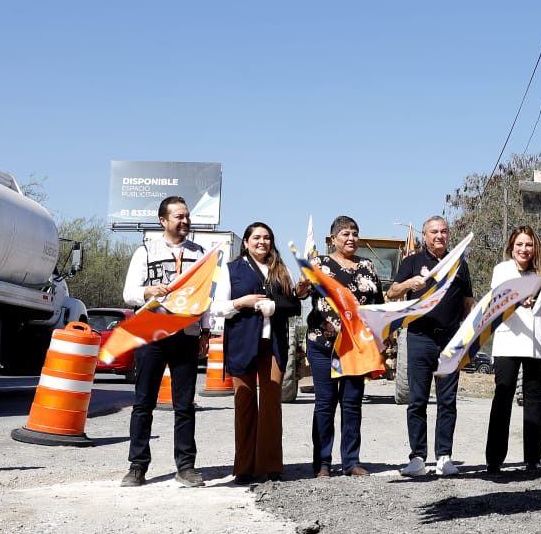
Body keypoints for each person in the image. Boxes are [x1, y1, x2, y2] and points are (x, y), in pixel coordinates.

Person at [120, 196, 208, 488]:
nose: (185, 221)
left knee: (184, 405)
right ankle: (137, 466)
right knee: (143, 403)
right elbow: (129, 293)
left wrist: (206, 332)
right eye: (179, 217)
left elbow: (207, 297)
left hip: (186, 334)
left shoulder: (201, 255)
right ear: (163, 221)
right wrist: (148, 291)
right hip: (151, 334)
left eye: (187, 216)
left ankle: (186, 466)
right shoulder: (145, 252)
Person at [221, 222, 311, 484]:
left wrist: (279, 302)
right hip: (242, 342)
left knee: (271, 403)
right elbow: (217, 307)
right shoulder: (231, 270)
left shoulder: (280, 270)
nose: (262, 242)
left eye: (267, 238)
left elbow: (294, 305)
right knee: (244, 403)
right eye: (257, 237)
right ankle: (244, 467)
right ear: (246, 241)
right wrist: (241, 303)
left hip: (273, 344)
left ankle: (271, 464)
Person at [390, 215, 474, 477]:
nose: (439, 236)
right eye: (434, 232)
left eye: (444, 231)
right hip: (420, 337)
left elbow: (468, 301)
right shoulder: (412, 262)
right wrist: (409, 283)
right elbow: (392, 292)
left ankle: (444, 457)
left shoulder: (459, 263)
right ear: (424, 236)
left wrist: (470, 329)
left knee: (447, 401)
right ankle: (417, 458)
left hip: (450, 340)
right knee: (417, 400)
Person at [305, 214, 383, 477]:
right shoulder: (318, 264)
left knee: (352, 404)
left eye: (354, 233)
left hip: (355, 347)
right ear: (332, 239)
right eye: (345, 234)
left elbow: (378, 305)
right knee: (325, 404)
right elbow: (301, 291)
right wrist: (302, 284)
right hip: (322, 344)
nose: (351, 238)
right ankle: (323, 464)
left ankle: (351, 461)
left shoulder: (368, 266)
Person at [484, 224, 541, 473]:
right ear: (511, 247)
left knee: (534, 399)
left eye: (528, 244)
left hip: (535, 343)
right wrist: (517, 300)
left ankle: (532, 459)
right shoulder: (502, 270)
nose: (524, 249)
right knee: (503, 397)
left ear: (534, 247)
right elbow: (497, 298)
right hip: (509, 340)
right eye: (519, 245)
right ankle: (494, 459)